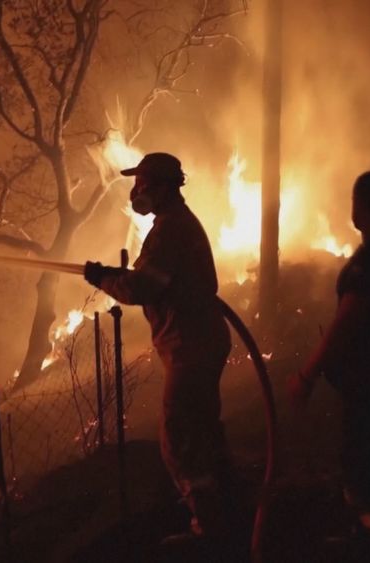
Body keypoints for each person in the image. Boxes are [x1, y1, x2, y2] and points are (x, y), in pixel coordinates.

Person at [83, 153, 234, 542]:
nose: (137, 191)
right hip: (198, 341)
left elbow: (144, 287)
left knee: (179, 437)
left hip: (189, 344)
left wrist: (103, 279)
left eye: (143, 183)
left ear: (163, 187)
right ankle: (229, 512)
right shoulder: (177, 225)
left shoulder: (170, 230)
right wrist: (115, 275)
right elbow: (155, 277)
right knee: (202, 431)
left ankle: (209, 527)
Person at [287, 170, 370, 534]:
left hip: (369, 381)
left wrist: (306, 375)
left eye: (353, 202)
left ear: (360, 206)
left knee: (359, 469)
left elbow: (347, 321)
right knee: (367, 460)